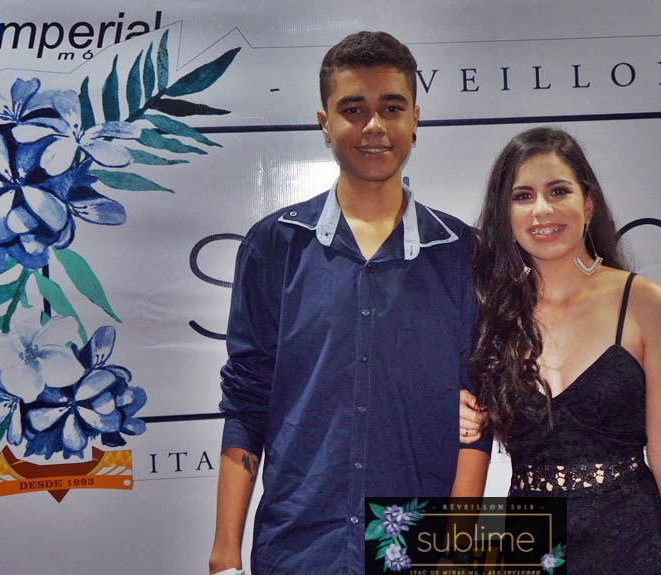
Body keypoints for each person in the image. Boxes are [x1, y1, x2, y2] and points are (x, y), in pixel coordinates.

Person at [209, 31, 490, 575]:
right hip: (297, 547)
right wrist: (224, 553)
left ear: (415, 119)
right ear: (325, 122)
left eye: (392, 108)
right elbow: (246, 400)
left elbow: (476, 417)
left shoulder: (463, 253)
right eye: (353, 109)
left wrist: (456, 550)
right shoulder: (275, 245)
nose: (374, 125)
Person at [469, 127, 661, 574]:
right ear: (505, 214)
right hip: (529, 545)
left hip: (634, 544)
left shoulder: (644, 302)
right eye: (523, 196)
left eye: (558, 191)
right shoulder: (489, 315)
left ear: (589, 203)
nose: (542, 209)